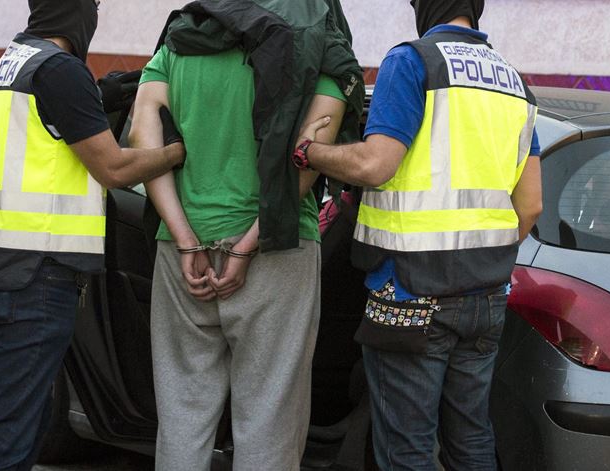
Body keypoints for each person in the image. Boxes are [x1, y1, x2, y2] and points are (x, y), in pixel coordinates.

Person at [295, 0, 543, 468]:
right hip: (487, 296)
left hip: (409, 292)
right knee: (471, 439)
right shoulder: (514, 82)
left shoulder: (412, 61)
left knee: (407, 448)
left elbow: (374, 164)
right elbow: (530, 204)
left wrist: (311, 152)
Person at [128, 1, 363, 469]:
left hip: (183, 255)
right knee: (269, 421)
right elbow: (308, 154)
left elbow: (142, 139)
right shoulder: (320, 42)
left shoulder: (179, 42)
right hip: (279, 253)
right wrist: (249, 243)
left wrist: (185, 238)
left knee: (182, 416)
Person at [0, 1, 186, 469]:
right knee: (4, 441)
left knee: (26, 427)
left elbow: (46, 131)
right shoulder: (60, 70)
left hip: (5, 268)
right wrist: (178, 152)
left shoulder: (15, 60)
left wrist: (100, 96)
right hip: (37, 274)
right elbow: (115, 169)